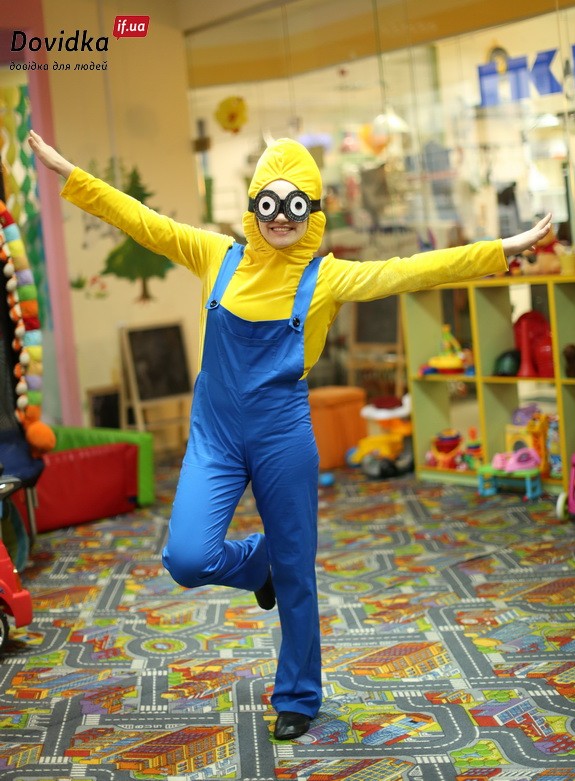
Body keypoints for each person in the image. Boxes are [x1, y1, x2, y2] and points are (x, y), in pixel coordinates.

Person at [28, 129, 552, 740]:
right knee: (188, 557)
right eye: (270, 202)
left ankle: (299, 694)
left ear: (312, 212)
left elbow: (412, 271)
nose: (281, 216)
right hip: (216, 434)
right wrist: (72, 175)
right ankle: (259, 565)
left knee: (299, 570)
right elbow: (142, 221)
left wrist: (501, 249)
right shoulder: (216, 256)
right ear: (254, 205)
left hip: (282, 434)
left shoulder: (324, 277)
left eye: (295, 203)